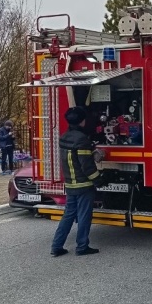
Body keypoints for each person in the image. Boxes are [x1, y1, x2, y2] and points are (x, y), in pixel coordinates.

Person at [51, 107, 103, 256]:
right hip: (84, 185)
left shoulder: (64, 137)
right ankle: (82, 247)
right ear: (83, 121)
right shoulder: (82, 140)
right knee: (84, 216)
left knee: (68, 215)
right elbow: (86, 165)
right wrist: (98, 180)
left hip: (70, 184)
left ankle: (56, 246)